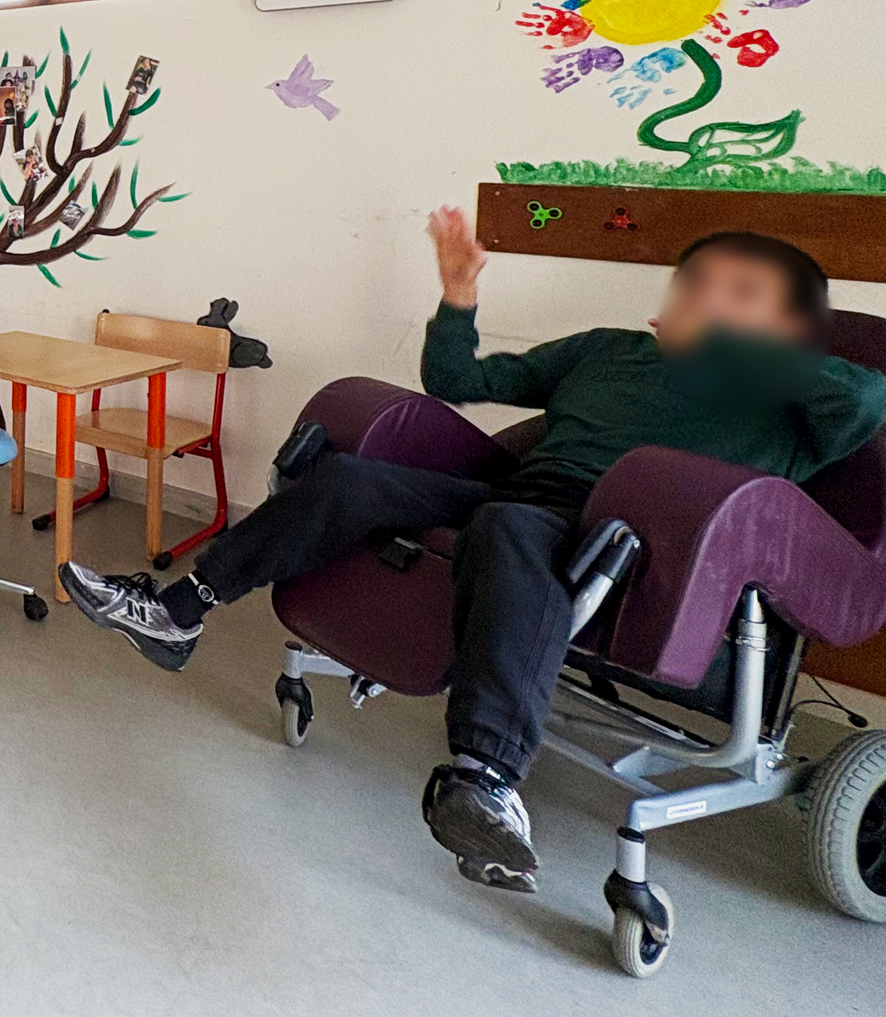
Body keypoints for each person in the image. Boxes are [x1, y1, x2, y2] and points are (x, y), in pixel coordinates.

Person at [59, 215, 886, 892]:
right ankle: (177, 611)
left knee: (510, 530)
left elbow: (869, 398)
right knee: (351, 480)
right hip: (521, 495)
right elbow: (456, 377)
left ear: (785, 328)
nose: (706, 301)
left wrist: (734, 347)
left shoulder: (795, 398)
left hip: (647, 545)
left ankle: (487, 779)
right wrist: (458, 294)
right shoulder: (606, 349)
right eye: (698, 283)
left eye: (739, 295)